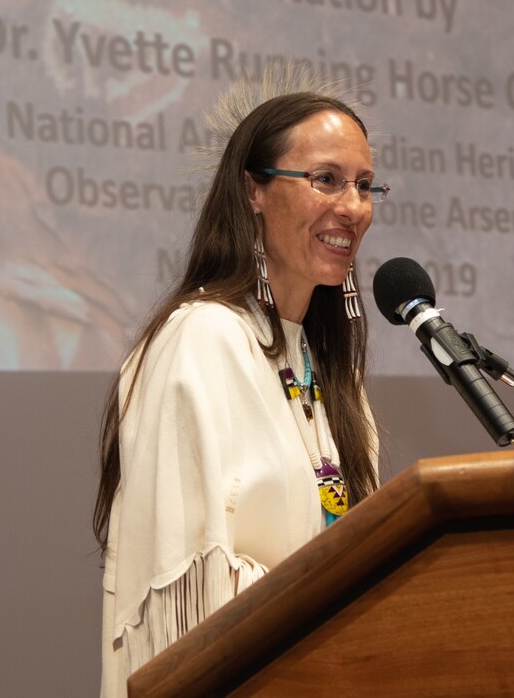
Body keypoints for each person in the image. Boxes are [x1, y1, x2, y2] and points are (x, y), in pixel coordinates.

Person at [93, 68, 389, 697]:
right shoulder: (199, 338)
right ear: (253, 190)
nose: (354, 208)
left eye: (364, 186)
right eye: (326, 180)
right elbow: (183, 585)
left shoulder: (326, 369)